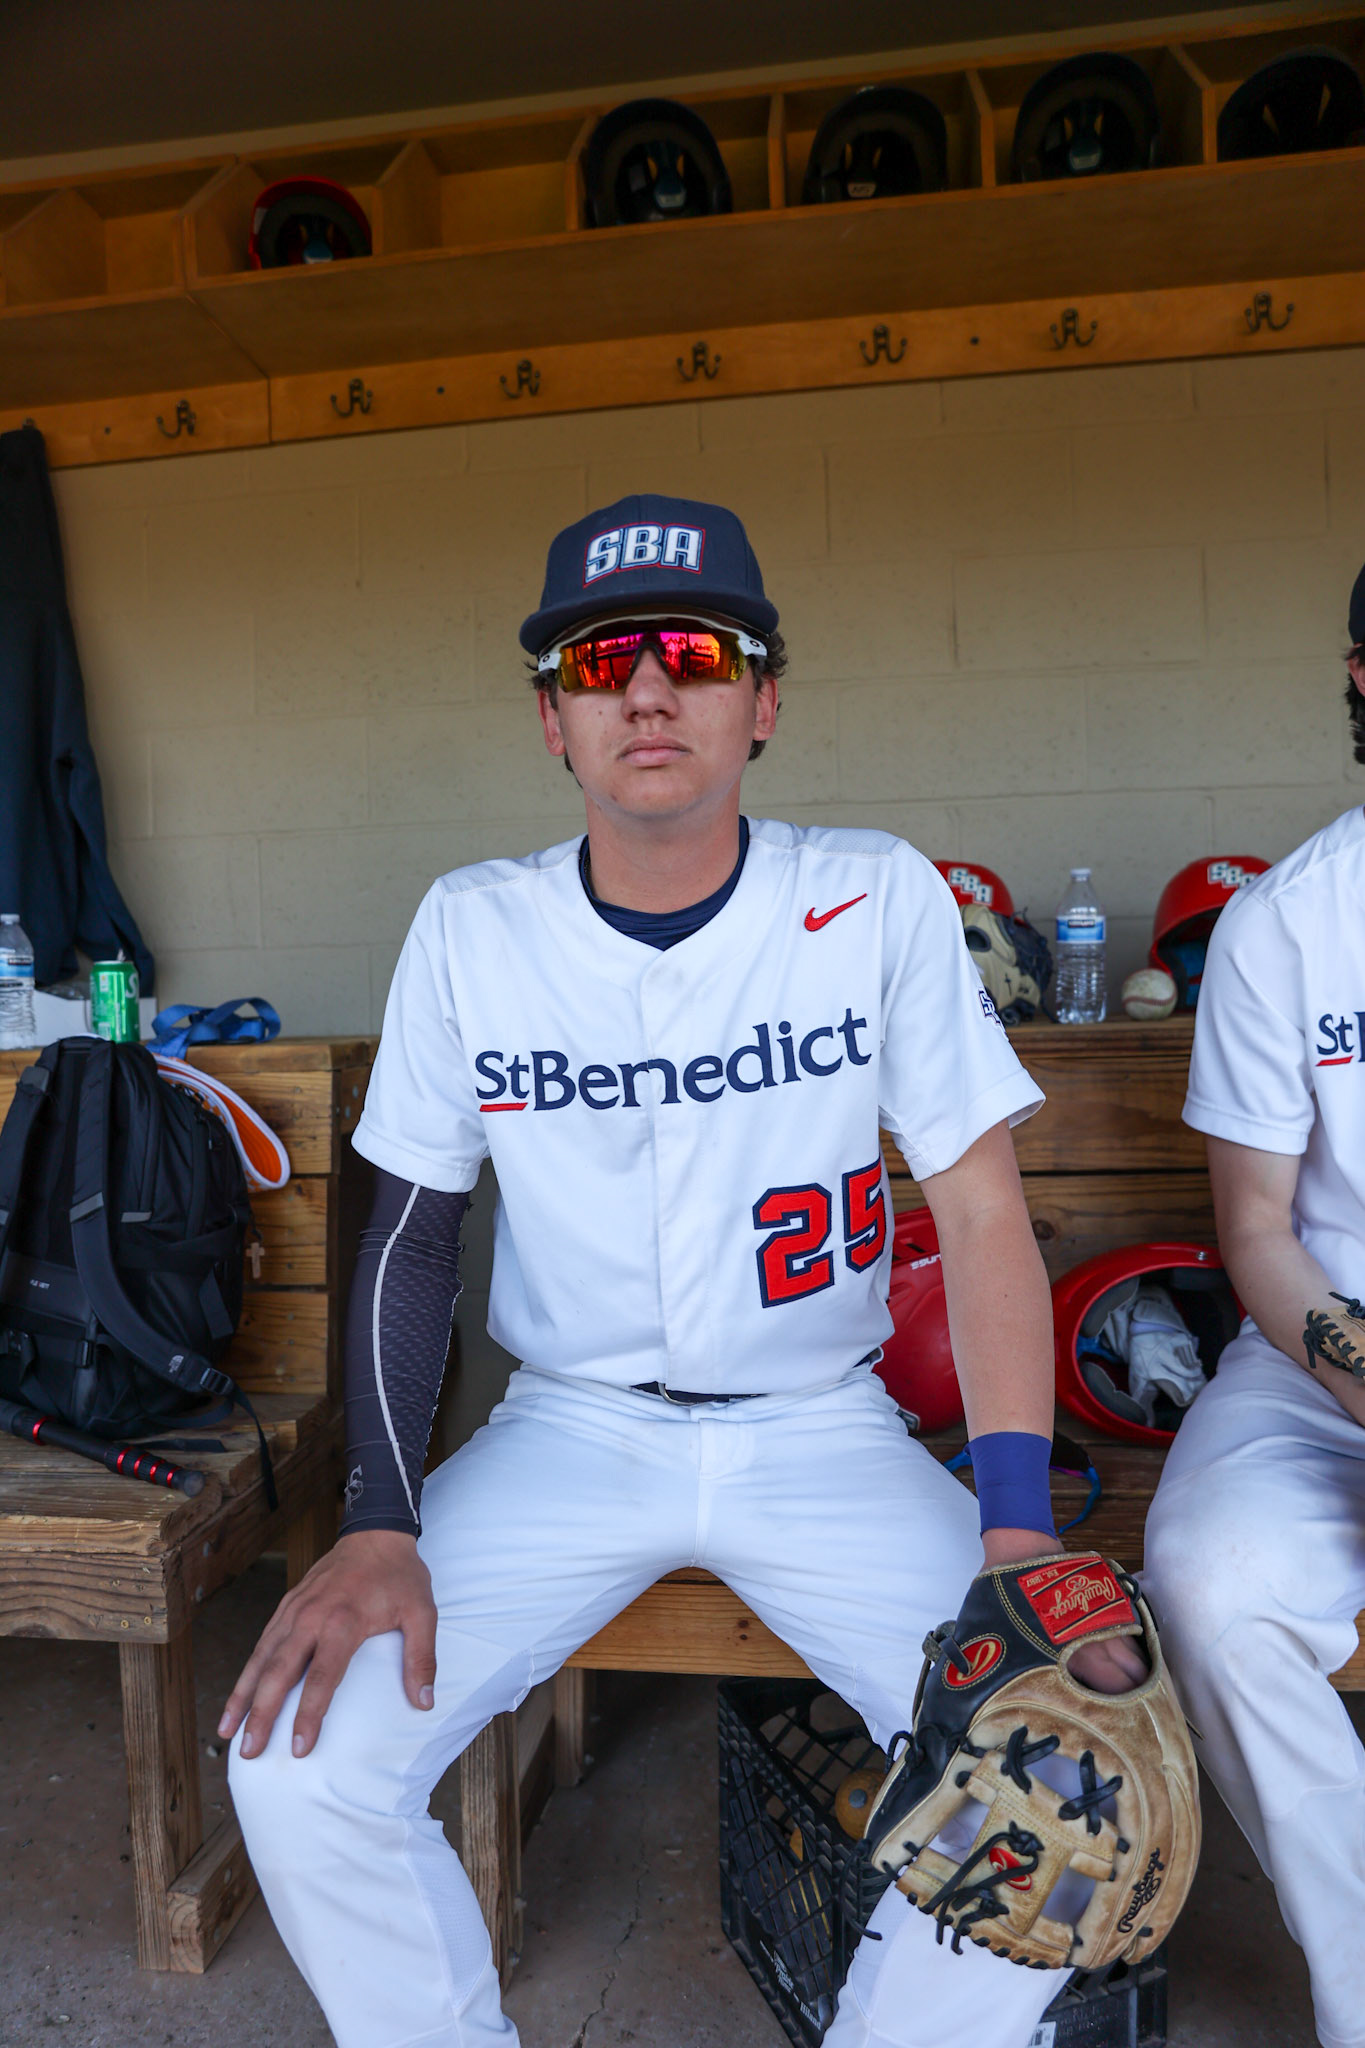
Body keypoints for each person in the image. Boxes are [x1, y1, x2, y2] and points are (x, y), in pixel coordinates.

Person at [221, 494, 1139, 2048]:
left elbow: (982, 1216)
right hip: (572, 1432)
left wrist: (1015, 1526)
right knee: (294, 1767)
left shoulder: (872, 895)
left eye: (696, 651)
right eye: (600, 663)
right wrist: (378, 1518)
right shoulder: (472, 928)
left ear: (761, 702)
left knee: (1075, 1784)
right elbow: (413, 1229)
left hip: (818, 1427)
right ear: (552, 723)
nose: (648, 688)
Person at [1144, 562, 1365, 2048]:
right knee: (1211, 1576)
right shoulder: (1291, 922)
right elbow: (1254, 1233)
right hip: (1322, 1353)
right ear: (1362, 679)